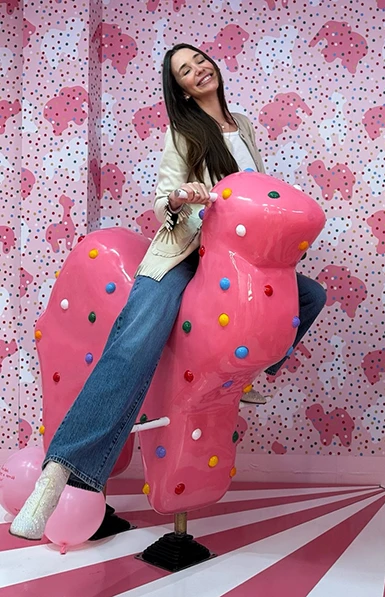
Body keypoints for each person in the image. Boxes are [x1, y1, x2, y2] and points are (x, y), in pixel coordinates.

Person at [10, 44, 327, 540]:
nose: (197, 70)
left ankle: (243, 376)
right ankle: (57, 474)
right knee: (133, 345)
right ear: (179, 87)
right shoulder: (184, 132)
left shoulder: (241, 125)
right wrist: (185, 198)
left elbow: (259, 191)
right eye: (184, 71)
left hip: (236, 262)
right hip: (186, 252)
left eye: (199, 61)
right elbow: (164, 199)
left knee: (308, 298)